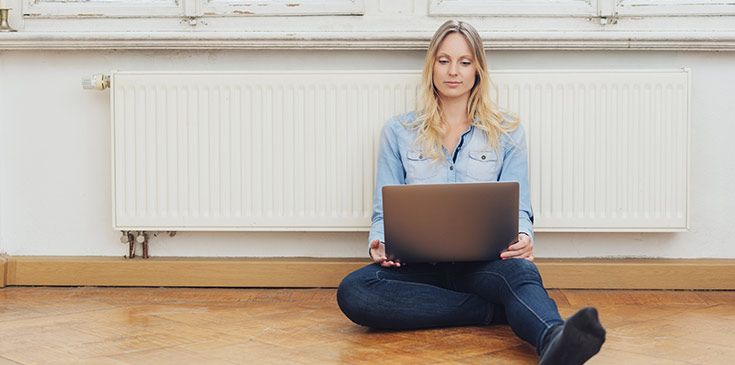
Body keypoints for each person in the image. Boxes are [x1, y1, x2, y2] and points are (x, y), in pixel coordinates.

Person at [336, 20, 606, 364]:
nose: (453, 71)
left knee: (524, 274)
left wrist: (523, 235)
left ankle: (554, 339)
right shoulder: (398, 131)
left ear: (477, 69)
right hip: (418, 267)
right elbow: (383, 212)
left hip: (484, 265)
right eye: (444, 60)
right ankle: (496, 311)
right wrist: (380, 242)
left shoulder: (507, 132)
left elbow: (519, 207)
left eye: (464, 62)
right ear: (431, 65)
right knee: (355, 291)